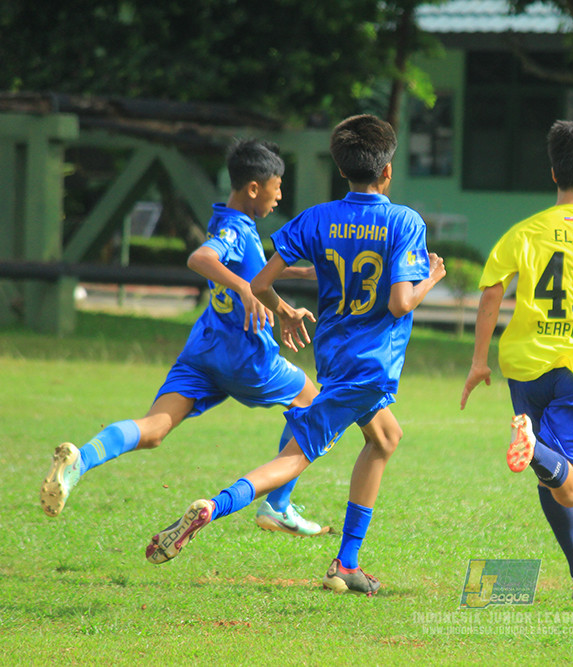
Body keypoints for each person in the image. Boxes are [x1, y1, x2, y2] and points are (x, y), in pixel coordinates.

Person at [144, 114, 446, 596]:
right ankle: (215, 507)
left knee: (385, 437)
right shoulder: (404, 221)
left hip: (334, 359)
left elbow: (261, 283)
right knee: (295, 458)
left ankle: (346, 562)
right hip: (370, 368)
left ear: (341, 169)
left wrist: (301, 288)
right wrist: (431, 277)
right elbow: (400, 302)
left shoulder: (317, 218)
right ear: (386, 172)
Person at [40, 138, 328, 538]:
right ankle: (277, 505)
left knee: (154, 428)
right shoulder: (234, 228)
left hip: (204, 349)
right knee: (314, 403)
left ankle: (79, 462)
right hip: (245, 357)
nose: (280, 196)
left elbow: (251, 270)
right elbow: (201, 259)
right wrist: (247, 292)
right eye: (277, 187)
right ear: (254, 188)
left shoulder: (230, 221)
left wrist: (302, 274)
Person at [460, 119, 573, 601]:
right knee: (571, 482)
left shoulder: (523, 232)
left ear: (553, 171)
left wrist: (480, 360)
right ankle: (533, 446)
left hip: (525, 367)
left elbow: (491, 292)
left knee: (550, 475)